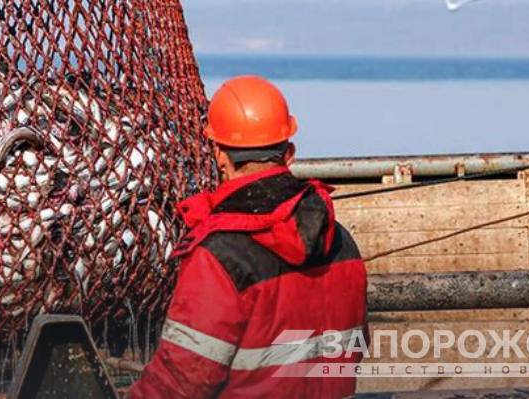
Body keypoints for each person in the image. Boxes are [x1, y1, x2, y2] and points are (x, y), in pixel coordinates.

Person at [129, 75, 368, 399]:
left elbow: (180, 384)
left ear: (219, 156)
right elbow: (355, 348)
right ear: (289, 153)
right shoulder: (341, 242)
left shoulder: (219, 258)